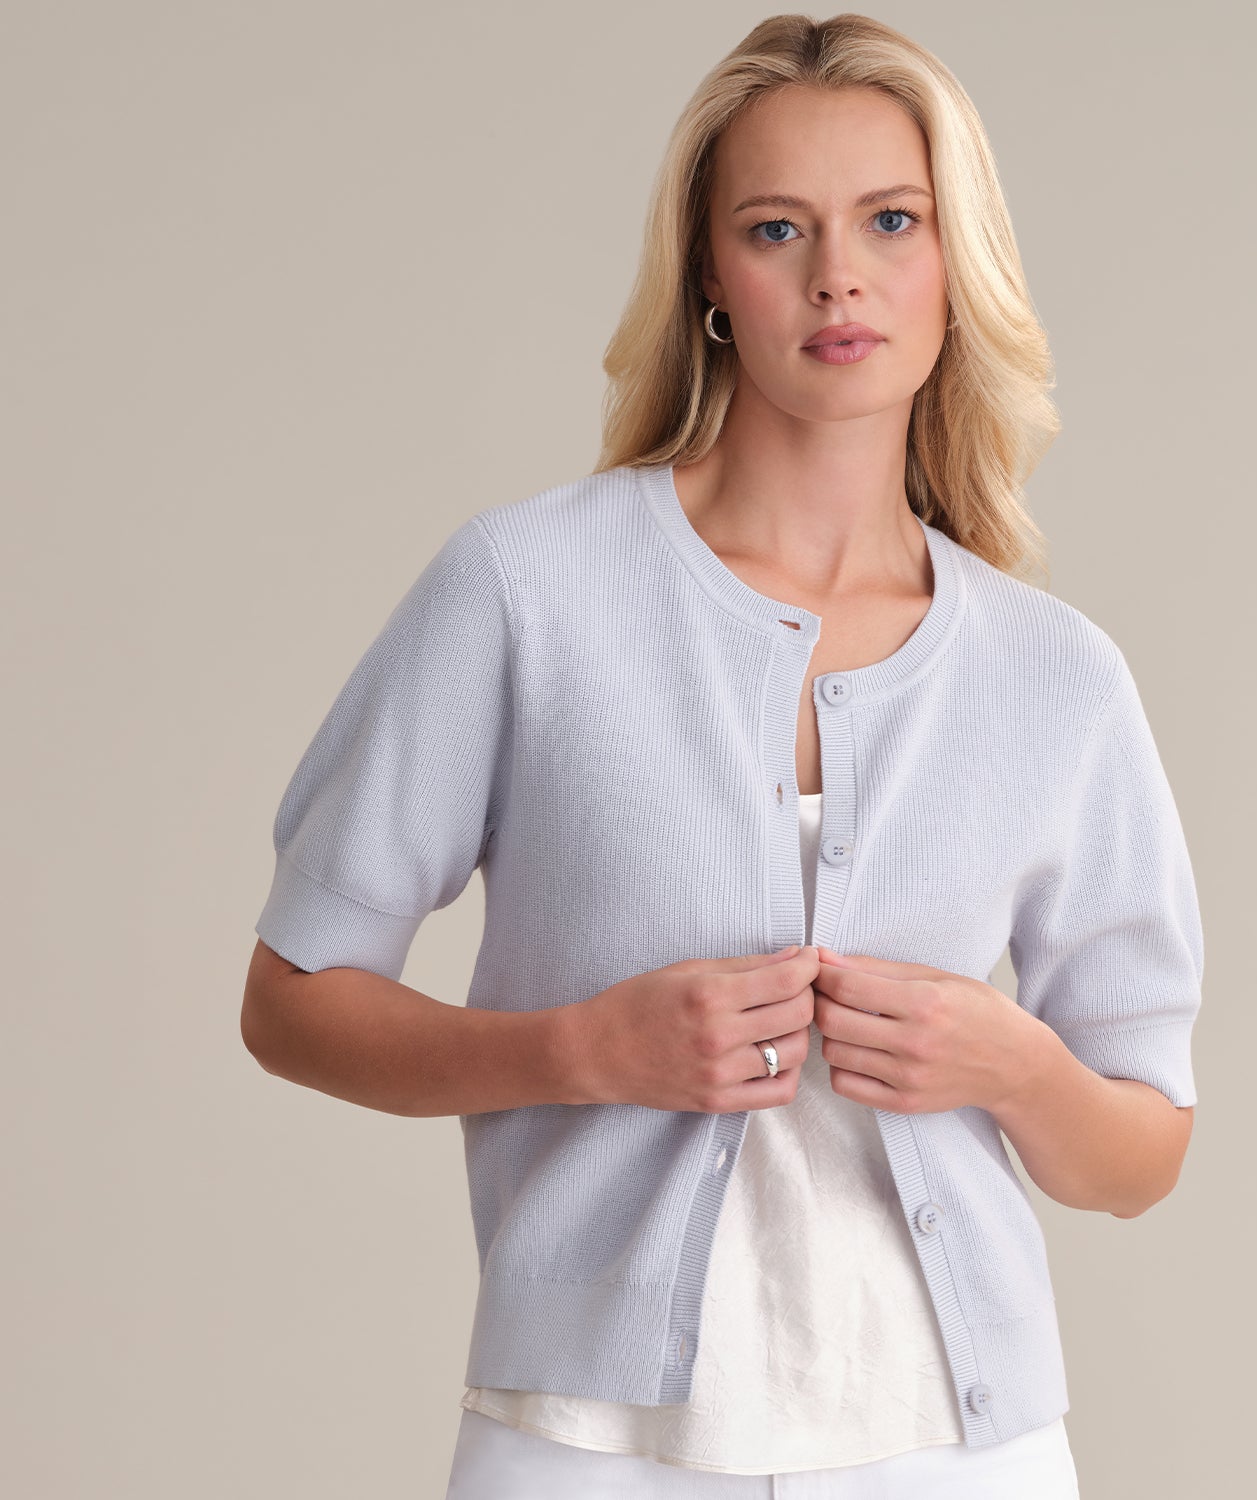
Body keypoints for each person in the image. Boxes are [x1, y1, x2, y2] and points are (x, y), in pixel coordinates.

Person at [242, 13, 1203, 1498]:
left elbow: (1139, 1154)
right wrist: (579, 1050)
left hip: (958, 1445)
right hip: (585, 1438)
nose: (838, 276)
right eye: (776, 228)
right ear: (709, 275)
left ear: (958, 259)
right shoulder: (527, 592)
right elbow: (291, 1002)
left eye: (892, 220)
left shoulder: (1054, 677)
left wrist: (1011, 1063)